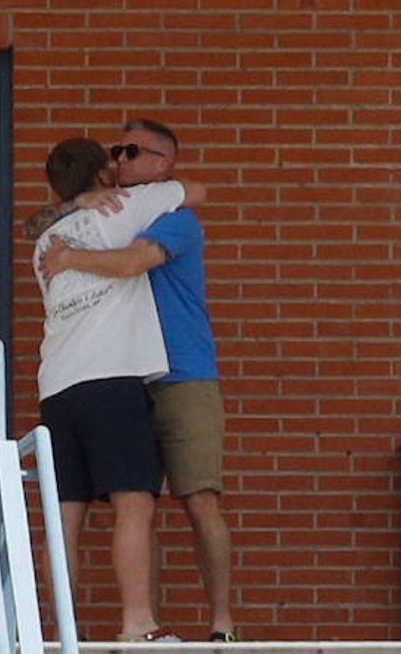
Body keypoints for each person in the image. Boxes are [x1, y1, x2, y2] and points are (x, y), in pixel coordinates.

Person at [31, 118, 237, 644]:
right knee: (135, 503)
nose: (121, 160)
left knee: (194, 499)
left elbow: (131, 260)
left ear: (163, 163)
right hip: (121, 375)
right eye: (115, 153)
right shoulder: (114, 210)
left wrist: (71, 247)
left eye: (132, 151)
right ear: (101, 171)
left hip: (177, 374)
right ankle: (142, 625)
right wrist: (78, 205)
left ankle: (221, 625)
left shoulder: (166, 215)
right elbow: (47, 221)